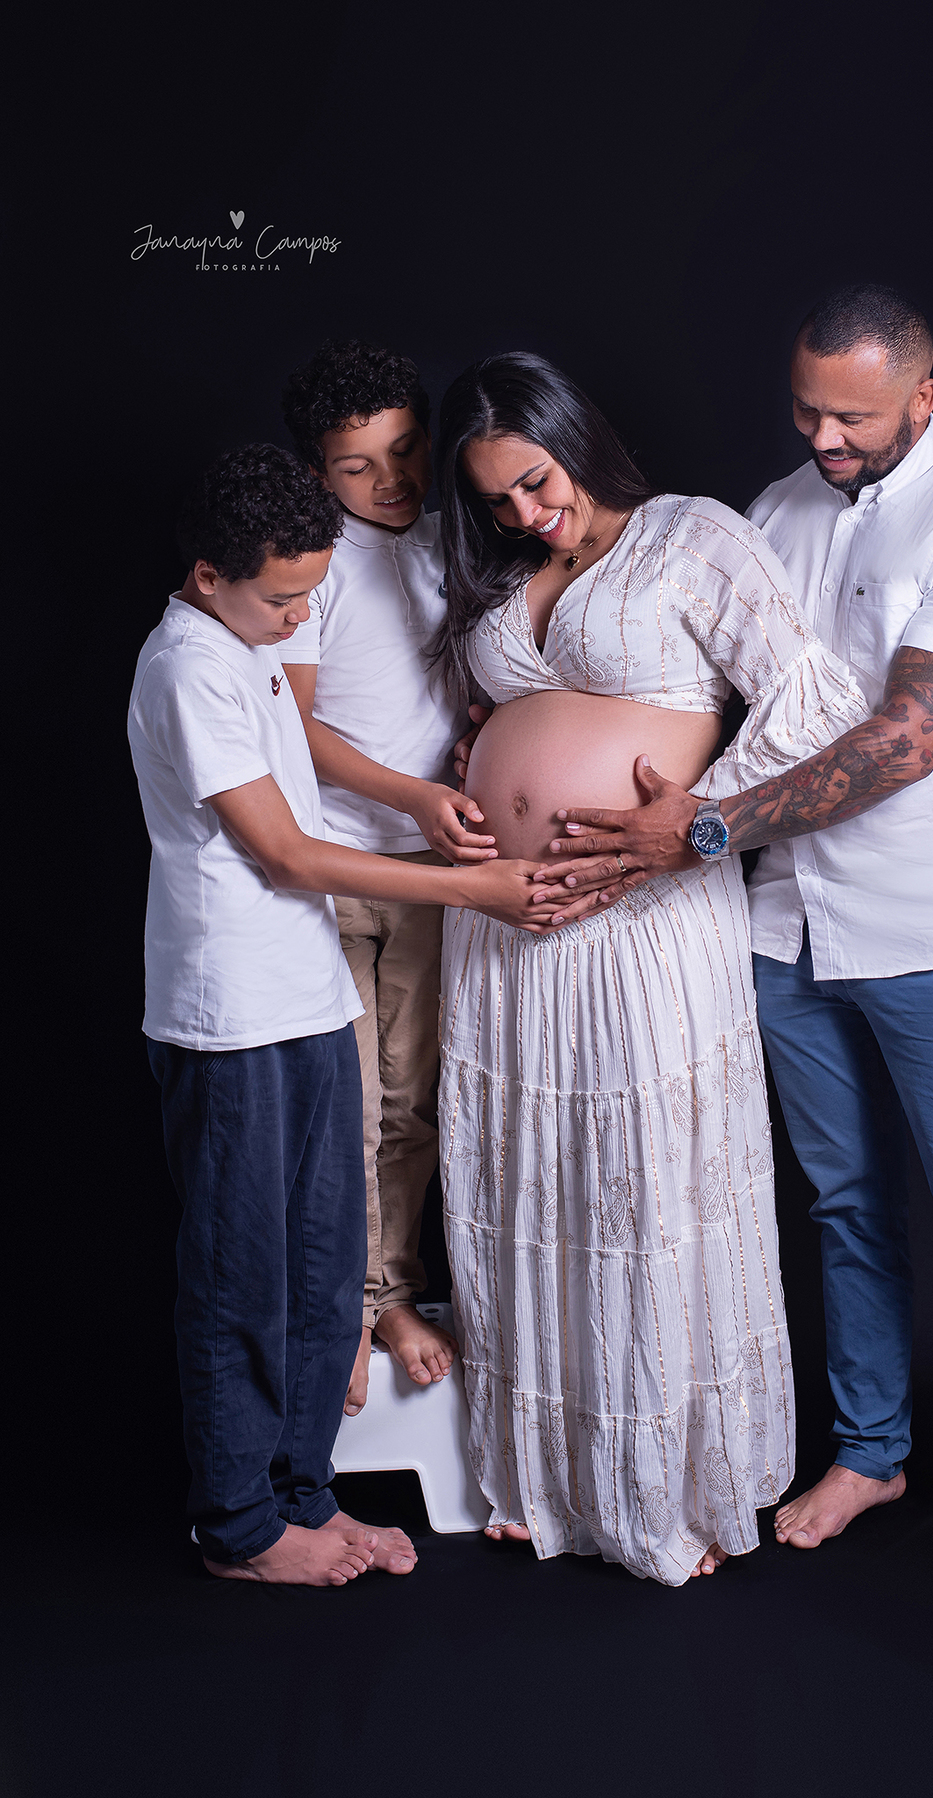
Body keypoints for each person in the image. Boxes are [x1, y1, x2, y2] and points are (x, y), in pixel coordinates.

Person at [537, 286, 933, 1621]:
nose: (825, 436)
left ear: (923, 399)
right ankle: (872, 1453)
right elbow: (710, 688)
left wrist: (705, 826)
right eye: (806, 410)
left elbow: (908, 738)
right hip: (785, 925)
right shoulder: (773, 514)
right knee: (844, 1209)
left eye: (854, 416)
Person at [433, 352, 870, 1586]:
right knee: (529, 1180)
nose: (525, 513)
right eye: (496, 499)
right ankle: (550, 1476)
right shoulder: (499, 571)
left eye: (535, 480)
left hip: (645, 919)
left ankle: (674, 1484)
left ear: (575, 436)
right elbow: (486, 719)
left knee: (646, 1186)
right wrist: (472, 772)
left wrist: (701, 818)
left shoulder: (691, 536)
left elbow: (813, 701)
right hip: (506, 929)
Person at [129, 444, 564, 1586]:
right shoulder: (188, 668)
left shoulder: (251, 641)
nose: (298, 620)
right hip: (230, 1015)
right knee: (244, 1271)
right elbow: (284, 852)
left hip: (309, 993)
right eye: (281, 599)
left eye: (309, 595)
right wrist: (474, 887)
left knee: (325, 1264)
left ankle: (304, 1494)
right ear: (207, 575)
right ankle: (239, 1527)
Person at [281, 340, 493, 1414]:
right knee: (347, 1107)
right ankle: (346, 1309)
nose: (390, 480)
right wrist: (409, 794)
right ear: (319, 473)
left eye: (405, 450)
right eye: (357, 465)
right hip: (327, 866)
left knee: (413, 1102)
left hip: (429, 874)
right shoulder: (312, 560)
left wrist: (477, 743)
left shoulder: (458, 537)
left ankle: (392, 1294)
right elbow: (294, 724)